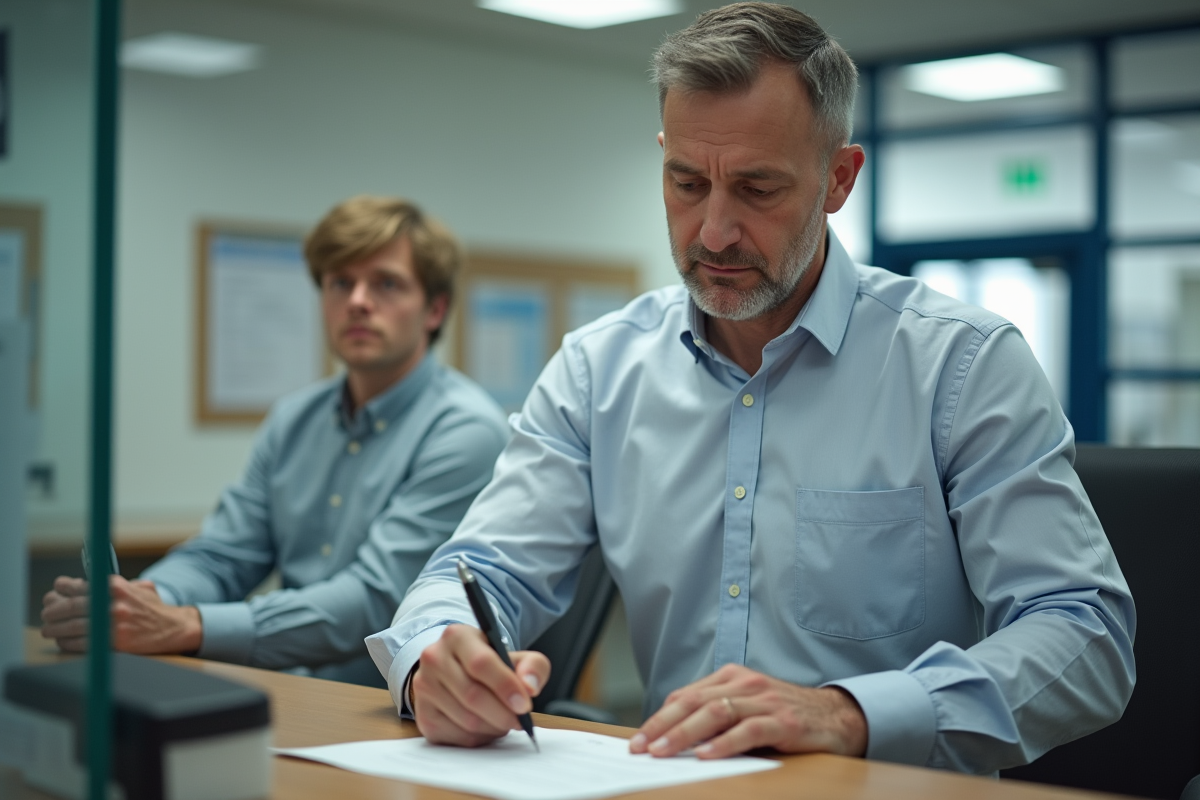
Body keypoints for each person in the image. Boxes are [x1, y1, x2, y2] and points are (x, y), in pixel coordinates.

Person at [365, 3, 1136, 772]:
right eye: (687, 182)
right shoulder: (598, 370)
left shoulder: (960, 367)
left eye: (758, 189)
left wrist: (849, 713)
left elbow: (1084, 632)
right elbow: (484, 572)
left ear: (838, 179)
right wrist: (438, 660)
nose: (713, 232)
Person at [41, 196, 509, 686]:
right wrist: (139, 602)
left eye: (386, 283)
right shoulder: (295, 419)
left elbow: (374, 601)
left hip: (392, 711)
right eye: (340, 283)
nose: (358, 301)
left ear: (435, 309)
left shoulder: (466, 430)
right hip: (289, 690)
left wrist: (186, 625)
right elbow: (224, 555)